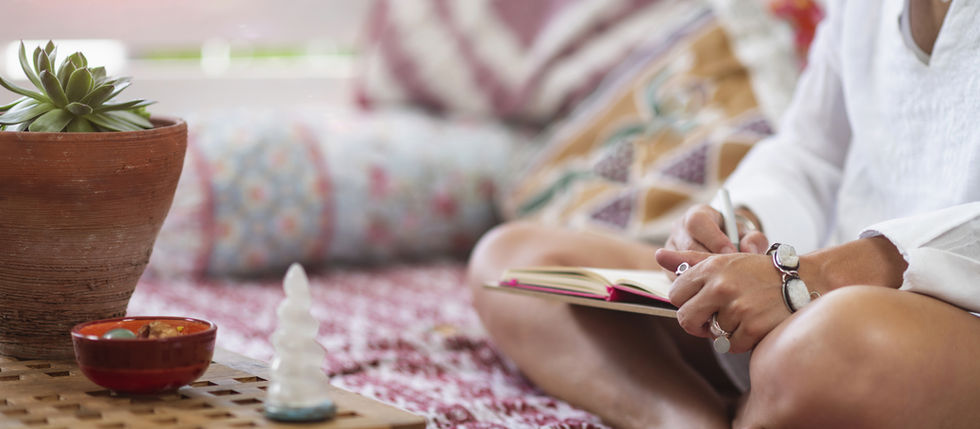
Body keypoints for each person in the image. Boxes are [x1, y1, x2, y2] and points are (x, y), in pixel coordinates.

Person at [466, 0, 980, 428]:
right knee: (512, 257)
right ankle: (686, 421)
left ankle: (772, 393)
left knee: (821, 351)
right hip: (811, 297)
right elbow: (812, 152)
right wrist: (739, 229)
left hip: (913, 318)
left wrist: (818, 275)